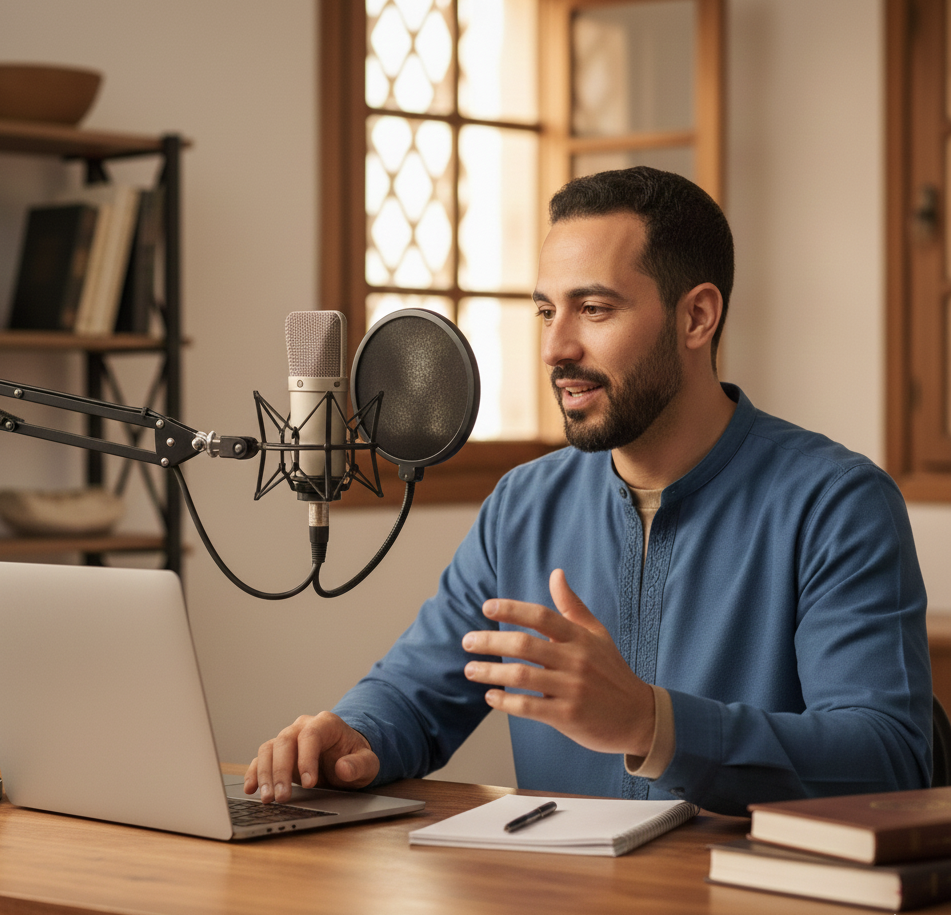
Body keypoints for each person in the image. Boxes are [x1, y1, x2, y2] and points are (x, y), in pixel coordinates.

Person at [244, 166, 932, 817]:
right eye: (547, 311)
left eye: (594, 308)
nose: (555, 348)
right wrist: (354, 733)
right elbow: (416, 692)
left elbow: (889, 758)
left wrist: (652, 724)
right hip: (559, 887)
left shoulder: (837, 504)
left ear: (697, 317)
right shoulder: (523, 505)